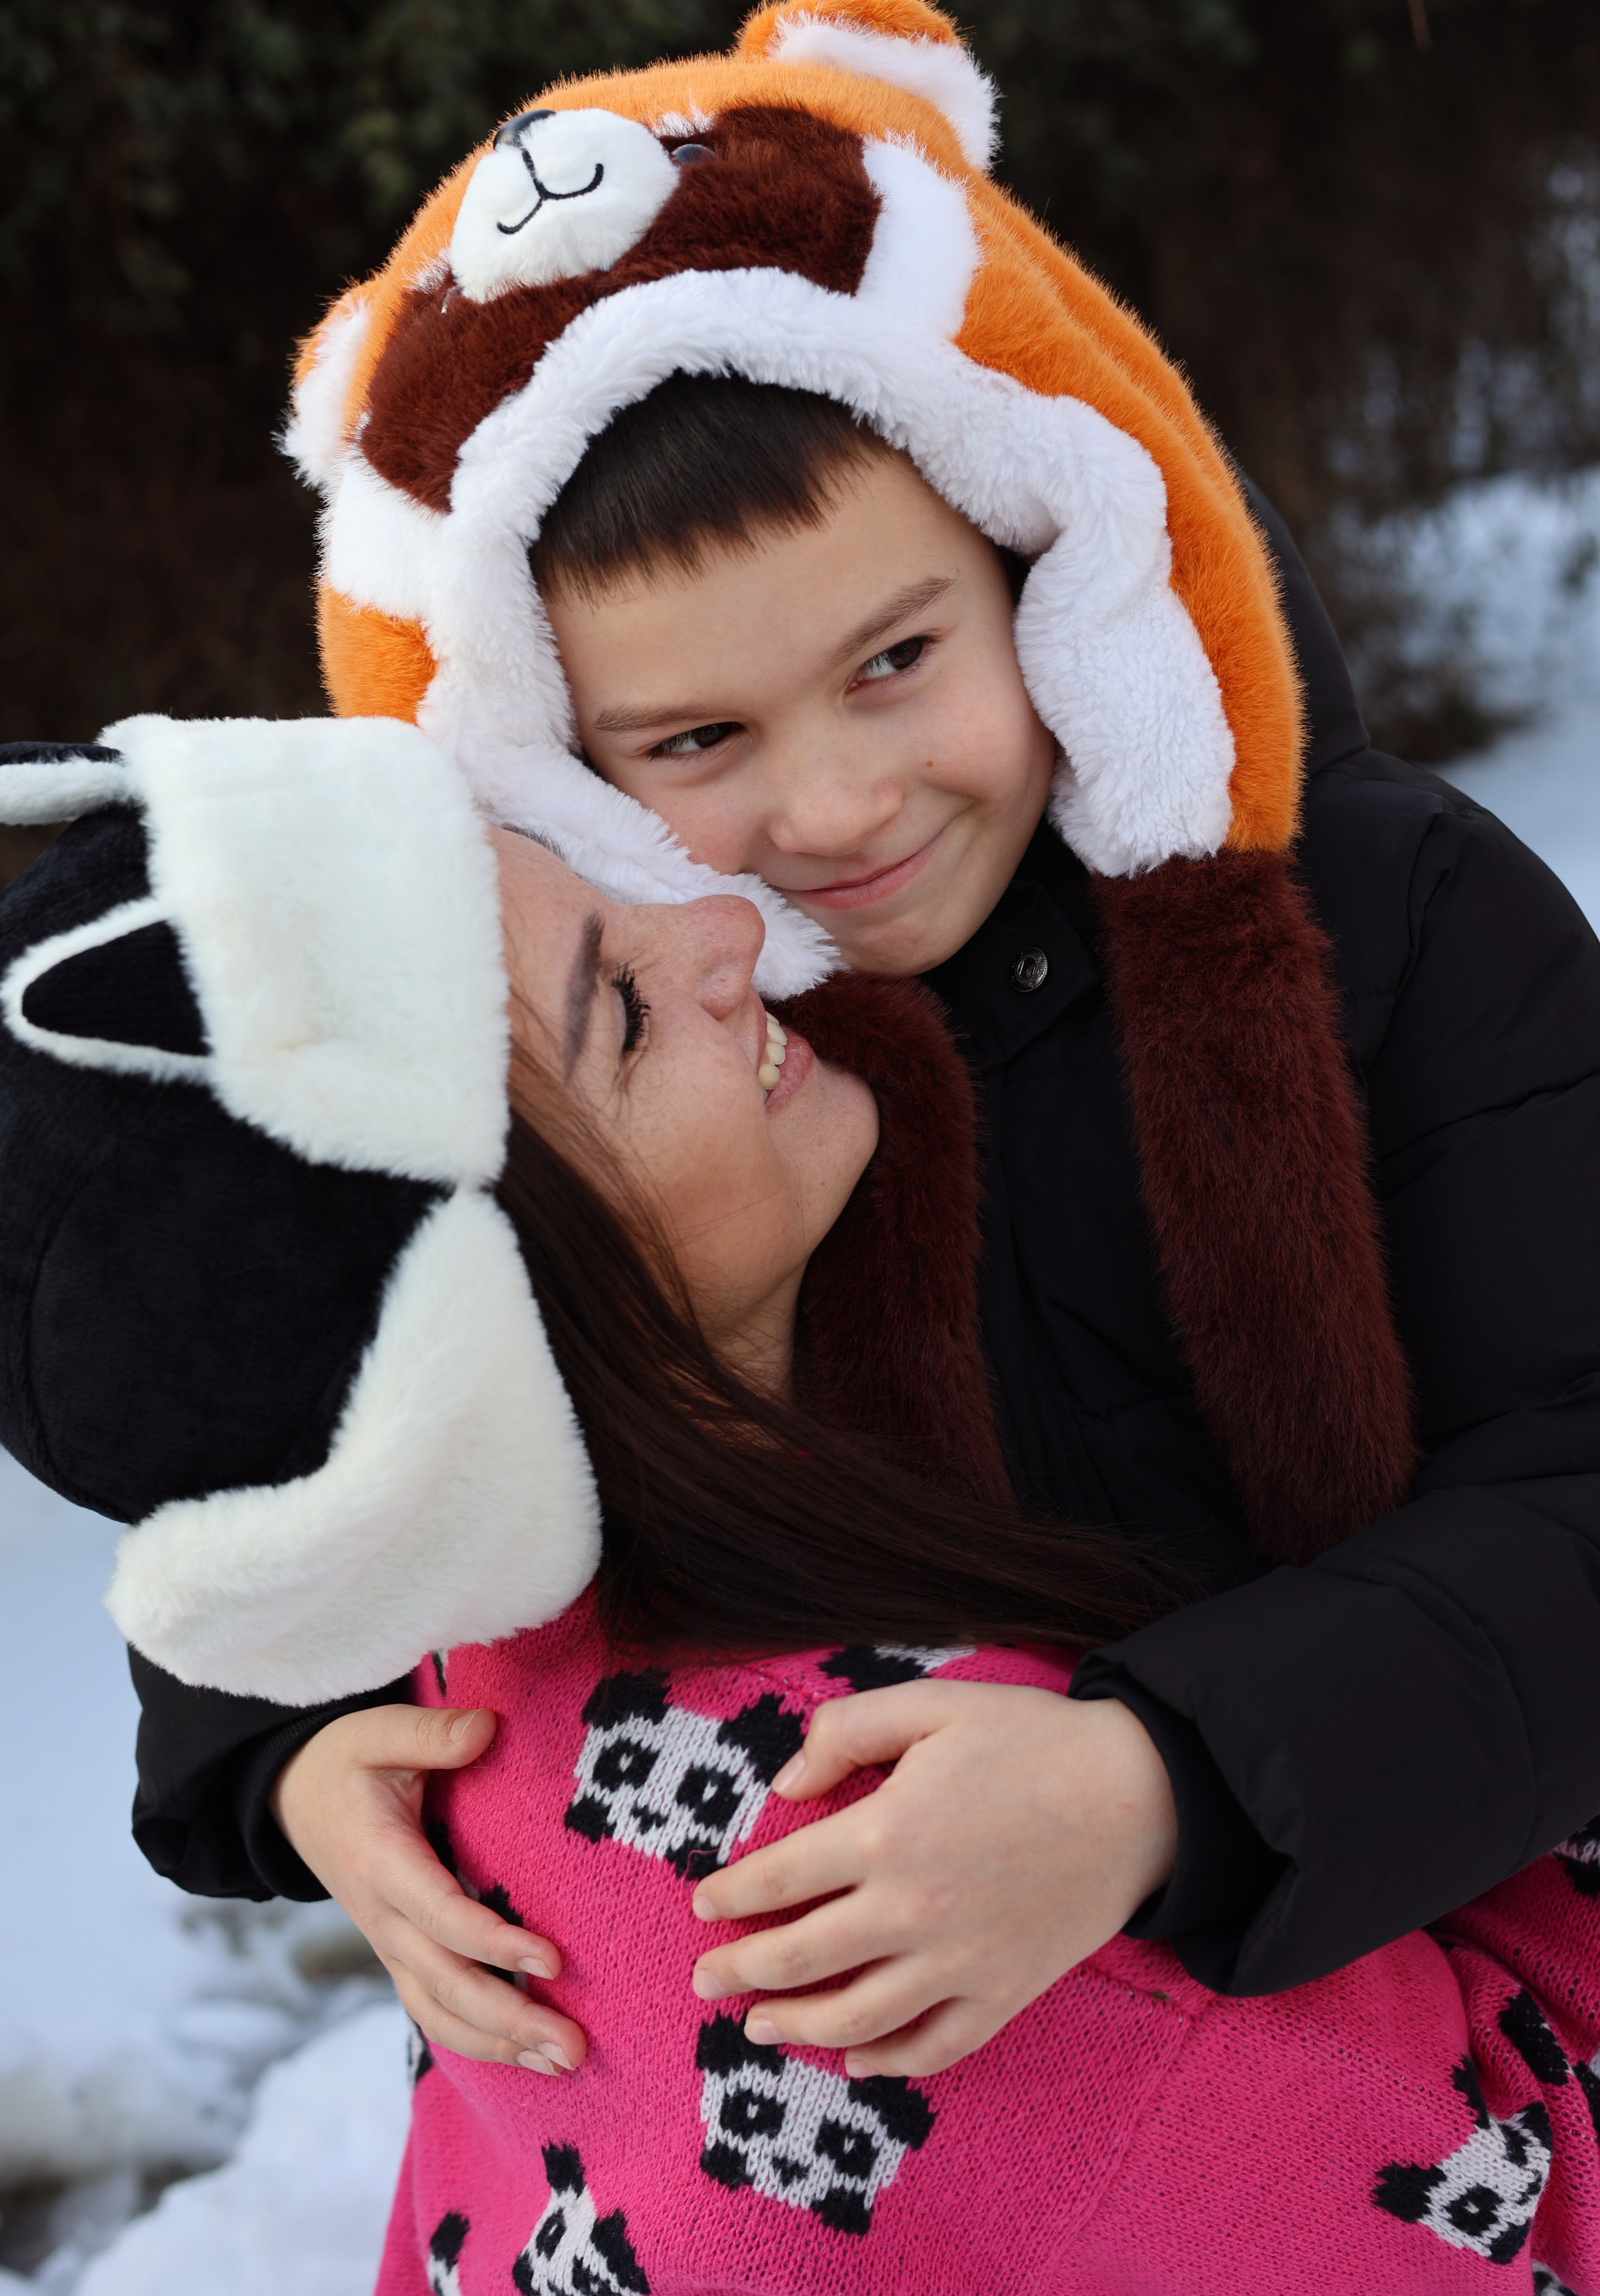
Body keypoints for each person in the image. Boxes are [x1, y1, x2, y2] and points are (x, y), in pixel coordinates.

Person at [78, 0, 1600, 2086]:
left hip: (1438, 2019)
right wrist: (296, 1741)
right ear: (546, 763)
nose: (833, 809)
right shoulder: (596, 1075)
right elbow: (322, 1405)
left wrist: (1171, 1776)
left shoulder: (1390, 923)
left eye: (897, 660)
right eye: (694, 740)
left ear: (1044, 565)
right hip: (940, 2121)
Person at [1, 737, 1596, 2292]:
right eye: (617, 1015)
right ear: (475, 1334)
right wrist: (1200, 1783)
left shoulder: (467, 1651)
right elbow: (1517, 2214)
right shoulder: (919, 1895)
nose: (728, 925)